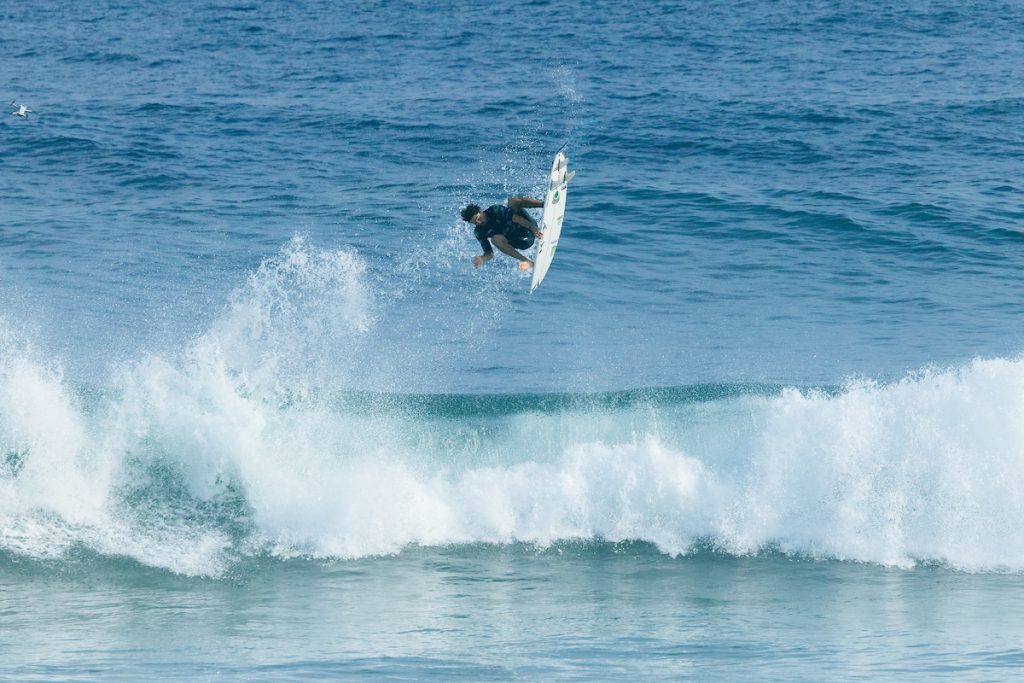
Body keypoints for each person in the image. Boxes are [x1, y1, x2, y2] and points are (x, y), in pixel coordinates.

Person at [461, 197, 544, 270]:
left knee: (512, 201)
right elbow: (489, 253)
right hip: (523, 241)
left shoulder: (495, 210)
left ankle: (543, 204)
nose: (479, 222)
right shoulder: (479, 232)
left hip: (529, 227)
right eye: (475, 222)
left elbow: (515, 218)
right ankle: (528, 262)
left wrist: (534, 229)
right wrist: (482, 258)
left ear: (480, 211)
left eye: (478, 218)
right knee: (495, 240)